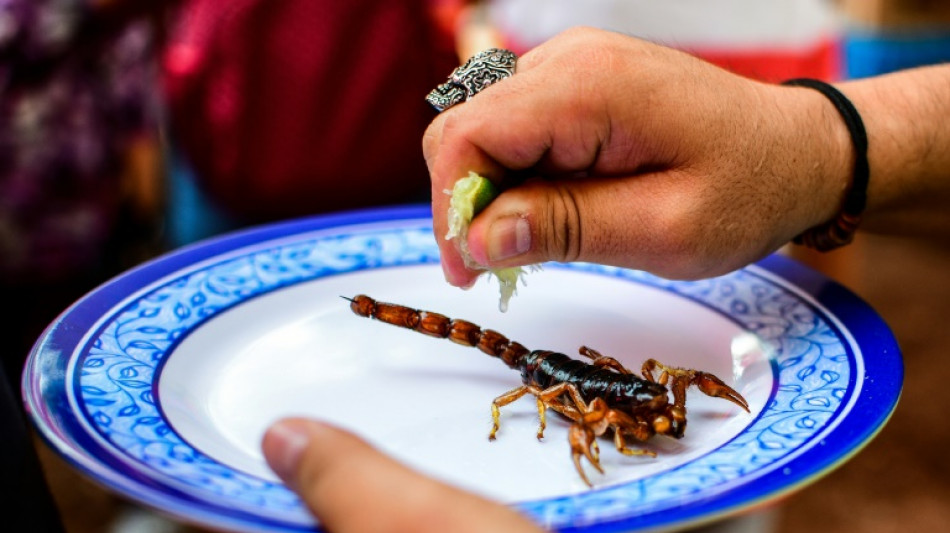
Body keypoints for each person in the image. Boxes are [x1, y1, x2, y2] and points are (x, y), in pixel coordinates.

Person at [261, 26, 950, 531]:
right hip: (547, 374)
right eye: (664, 414)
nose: (670, 417)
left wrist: (818, 151)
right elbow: (586, 394)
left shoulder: (652, 398)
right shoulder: (616, 411)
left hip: (582, 375)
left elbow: (651, 378)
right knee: (570, 389)